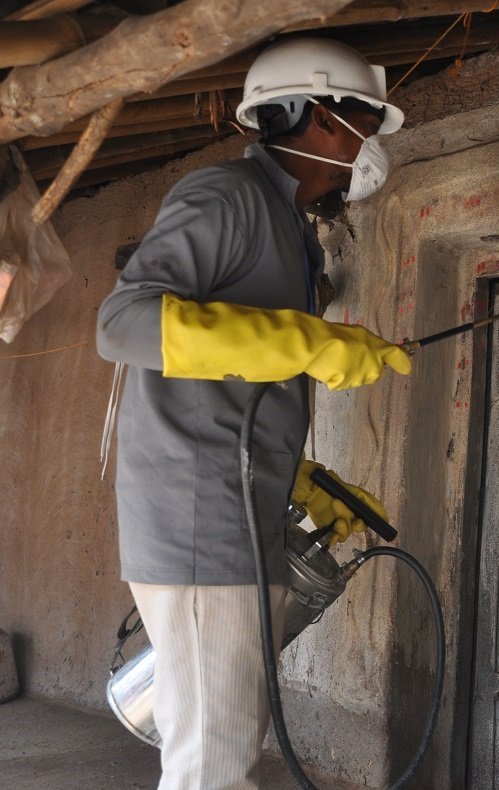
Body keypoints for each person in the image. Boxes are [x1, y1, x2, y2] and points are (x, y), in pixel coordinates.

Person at [96, 38, 410, 789]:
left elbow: (234, 386)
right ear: (323, 118)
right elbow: (122, 324)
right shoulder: (226, 196)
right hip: (201, 523)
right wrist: (304, 341)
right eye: (367, 122)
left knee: (223, 743)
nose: (369, 143)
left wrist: (296, 478)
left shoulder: (292, 230)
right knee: (214, 766)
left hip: (239, 514)